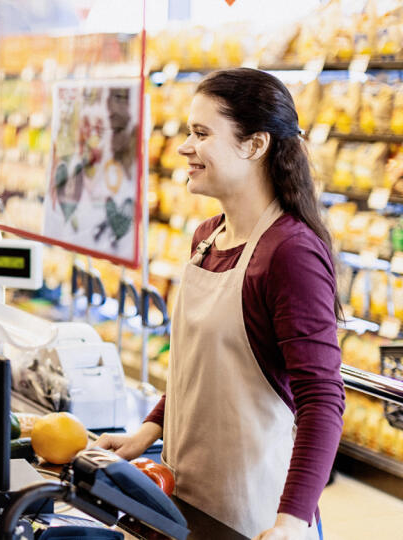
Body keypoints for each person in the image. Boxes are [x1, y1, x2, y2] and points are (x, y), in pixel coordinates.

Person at [94, 68, 344, 540]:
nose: (185, 147)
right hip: (183, 493)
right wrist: (147, 432)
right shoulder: (207, 237)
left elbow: (323, 399)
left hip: (254, 515)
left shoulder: (291, 252)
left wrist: (291, 521)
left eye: (201, 133)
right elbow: (201, 369)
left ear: (254, 145)